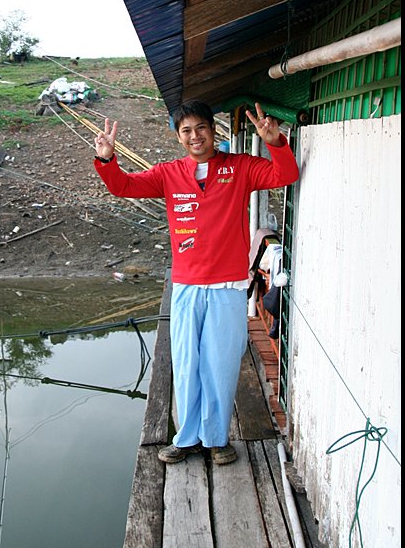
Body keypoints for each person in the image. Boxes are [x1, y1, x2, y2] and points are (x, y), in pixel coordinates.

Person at [93, 99, 299, 465]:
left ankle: (217, 439)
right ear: (178, 137)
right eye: (186, 131)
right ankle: (186, 438)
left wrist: (275, 142)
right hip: (186, 287)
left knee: (220, 365)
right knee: (186, 364)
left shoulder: (240, 168)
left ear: (212, 130)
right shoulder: (168, 173)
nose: (194, 136)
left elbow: (284, 176)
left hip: (228, 287)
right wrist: (108, 160)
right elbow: (123, 186)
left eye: (200, 128)